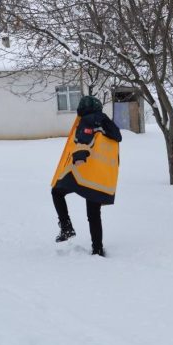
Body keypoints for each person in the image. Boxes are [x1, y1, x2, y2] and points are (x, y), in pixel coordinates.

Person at [50, 96, 122, 257]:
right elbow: (116, 138)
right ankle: (97, 249)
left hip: (81, 170)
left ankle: (66, 227)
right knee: (93, 214)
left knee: (56, 191)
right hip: (98, 178)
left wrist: (80, 154)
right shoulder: (108, 123)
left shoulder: (88, 120)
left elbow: (84, 136)